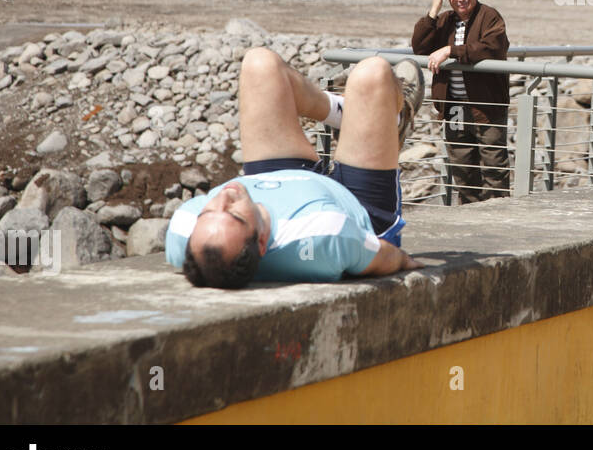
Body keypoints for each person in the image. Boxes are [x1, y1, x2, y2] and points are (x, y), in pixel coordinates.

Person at [166, 48, 423, 287]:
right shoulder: (325, 238)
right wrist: (405, 263)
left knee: (259, 64)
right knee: (373, 74)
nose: (225, 196)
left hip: (275, 180)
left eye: (208, 213)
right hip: (357, 208)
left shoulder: (183, 237)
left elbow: (194, 241)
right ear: (263, 242)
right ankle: (394, 118)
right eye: (234, 214)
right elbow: (391, 257)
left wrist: (232, 215)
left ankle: (343, 113)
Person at [411, 0, 510, 202]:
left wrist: (450, 51)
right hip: (454, 106)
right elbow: (419, 47)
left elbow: (492, 47)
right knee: (462, 169)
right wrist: (434, 9)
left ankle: (498, 220)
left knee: (494, 167)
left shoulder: (490, 16)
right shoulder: (444, 20)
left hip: (486, 105)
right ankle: (469, 218)